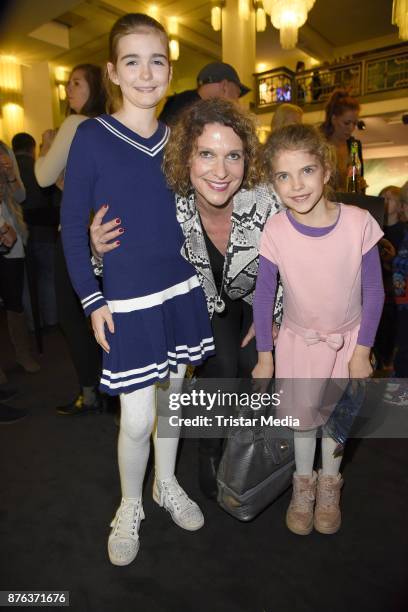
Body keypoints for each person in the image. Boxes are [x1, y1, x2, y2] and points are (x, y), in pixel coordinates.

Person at [60, 13, 215, 567]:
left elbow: (204, 211)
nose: (146, 73)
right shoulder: (91, 136)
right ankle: (130, 502)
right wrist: (91, 295)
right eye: (133, 61)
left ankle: (165, 484)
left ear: (170, 71)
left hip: (180, 292)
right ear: (113, 72)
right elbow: (70, 222)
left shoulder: (183, 140)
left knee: (172, 405)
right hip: (126, 301)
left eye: (158, 60)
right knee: (137, 417)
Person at [89, 97, 283, 500]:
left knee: (259, 365)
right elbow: (130, 253)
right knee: (223, 363)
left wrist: (276, 318)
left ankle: (251, 450)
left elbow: (291, 265)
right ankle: (209, 451)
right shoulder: (170, 202)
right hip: (207, 301)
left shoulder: (264, 200)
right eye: (206, 154)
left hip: (260, 296)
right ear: (186, 158)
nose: (220, 171)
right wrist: (97, 249)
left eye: (233, 156)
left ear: (247, 160)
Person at [253, 123, 384, 535]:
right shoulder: (275, 229)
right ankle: (302, 487)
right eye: (283, 176)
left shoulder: (359, 223)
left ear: (326, 170)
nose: (296, 185)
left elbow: (374, 292)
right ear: (272, 183)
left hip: (347, 345)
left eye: (306, 171)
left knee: (336, 424)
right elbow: (262, 295)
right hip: (297, 344)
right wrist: (264, 355)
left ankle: (330, 485)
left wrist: (361, 351)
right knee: (303, 421)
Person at [35, 64, 107, 416]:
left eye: (76, 83)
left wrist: (45, 148)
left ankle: (90, 391)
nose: (68, 91)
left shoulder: (77, 124)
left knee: (73, 316)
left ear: (94, 86)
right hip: (107, 234)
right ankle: (107, 388)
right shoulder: (110, 126)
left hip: (77, 234)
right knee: (104, 310)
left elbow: (44, 176)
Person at [0, 141, 40, 384]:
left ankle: (23, 354)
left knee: (15, 302)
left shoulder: (8, 166)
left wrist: (10, 175)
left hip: (13, 241)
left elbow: (21, 196)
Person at [12, 132, 59, 328]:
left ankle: (33, 325)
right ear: (32, 148)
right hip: (44, 230)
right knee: (47, 276)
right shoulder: (40, 167)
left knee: (25, 282)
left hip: (18, 233)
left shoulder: (11, 170)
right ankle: (52, 320)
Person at [159, 61, 250, 125]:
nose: (237, 102)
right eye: (237, 94)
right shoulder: (198, 114)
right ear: (225, 87)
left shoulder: (180, 104)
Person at [375, 185, 404, 370]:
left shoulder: (403, 230)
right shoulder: (377, 228)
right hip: (380, 285)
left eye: (390, 198)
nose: (385, 200)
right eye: (382, 197)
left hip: (398, 289)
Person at [320, 89, 364, 191]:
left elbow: (358, 180)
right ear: (333, 119)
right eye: (347, 123)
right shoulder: (320, 144)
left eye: (354, 123)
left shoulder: (354, 145)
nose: (351, 128)